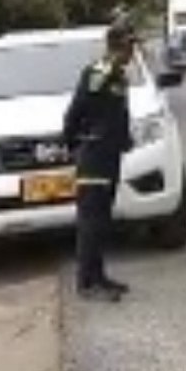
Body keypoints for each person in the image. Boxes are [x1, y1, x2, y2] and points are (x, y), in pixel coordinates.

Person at [63, 19, 136, 302]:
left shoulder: (118, 77)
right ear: (118, 46)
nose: (133, 52)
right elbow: (76, 112)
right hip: (93, 154)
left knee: (102, 220)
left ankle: (99, 276)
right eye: (129, 46)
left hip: (110, 155)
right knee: (90, 221)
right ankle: (85, 283)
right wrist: (74, 144)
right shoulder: (98, 74)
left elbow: (116, 115)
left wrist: (124, 140)